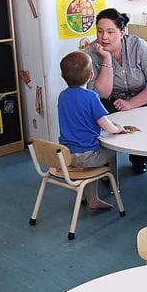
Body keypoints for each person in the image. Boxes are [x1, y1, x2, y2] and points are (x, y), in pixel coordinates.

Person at [86, 8, 147, 174]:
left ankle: (139, 158)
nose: (104, 37)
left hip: (141, 96)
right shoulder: (91, 53)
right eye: (100, 31)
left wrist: (130, 104)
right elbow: (101, 94)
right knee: (99, 110)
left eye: (110, 32)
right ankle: (105, 166)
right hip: (110, 100)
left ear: (122, 32)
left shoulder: (138, 45)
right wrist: (106, 58)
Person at [57, 51, 127, 211]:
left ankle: (91, 197)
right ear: (91, 75)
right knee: (113, 149)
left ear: (62, 74)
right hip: (86, 156)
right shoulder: (91, 97)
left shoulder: (62, 96)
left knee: (96, 147)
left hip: (66, 155)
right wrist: (118, 128)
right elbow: (106, 126)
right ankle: (105, 191)